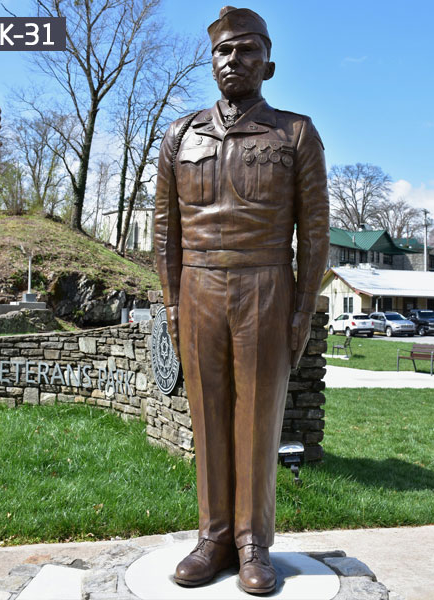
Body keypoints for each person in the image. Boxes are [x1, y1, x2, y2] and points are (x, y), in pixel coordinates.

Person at [154, 5, 329, 594]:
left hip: (266, 285)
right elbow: (164, 231)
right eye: (224, 52)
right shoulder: (181, 134)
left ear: (269, 63)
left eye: (248, 49)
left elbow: (317, 232)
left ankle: (254, 543)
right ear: (211, 62)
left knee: (258, 415)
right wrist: (174, 305)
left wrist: (303, 309)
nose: (235, 60)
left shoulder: (295, 133)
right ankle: (213, 536)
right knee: (207, 415)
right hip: (198, 286)